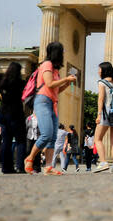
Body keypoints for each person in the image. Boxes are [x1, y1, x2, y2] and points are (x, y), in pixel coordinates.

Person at [24, 41, 77, 175]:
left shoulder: (55, 69)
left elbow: (55, 89)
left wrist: (68, 82)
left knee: (53, 137)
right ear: (57, 52)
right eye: (62, 51)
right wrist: (66, 79)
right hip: (42, 101)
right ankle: (29, 158)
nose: (64, 54)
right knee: (46, 134)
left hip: (52, 102)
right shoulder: (46, 64)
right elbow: (49, 83)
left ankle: (48, 167)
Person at [0, 61, 26, 174]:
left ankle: (6, 167)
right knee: (20, 140)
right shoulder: (20, 83)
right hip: (16, 113)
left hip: (3, 113)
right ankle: (19, 166)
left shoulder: (2, 83)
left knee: (6, 141)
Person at [93, 61, 113, 173]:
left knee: (97, 138)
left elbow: (101, 99)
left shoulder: (102, 82)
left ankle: (103, 162)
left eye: (99, 69)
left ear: (103, 70)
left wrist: (98, 114)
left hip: (106, 113)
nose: (98, 71)